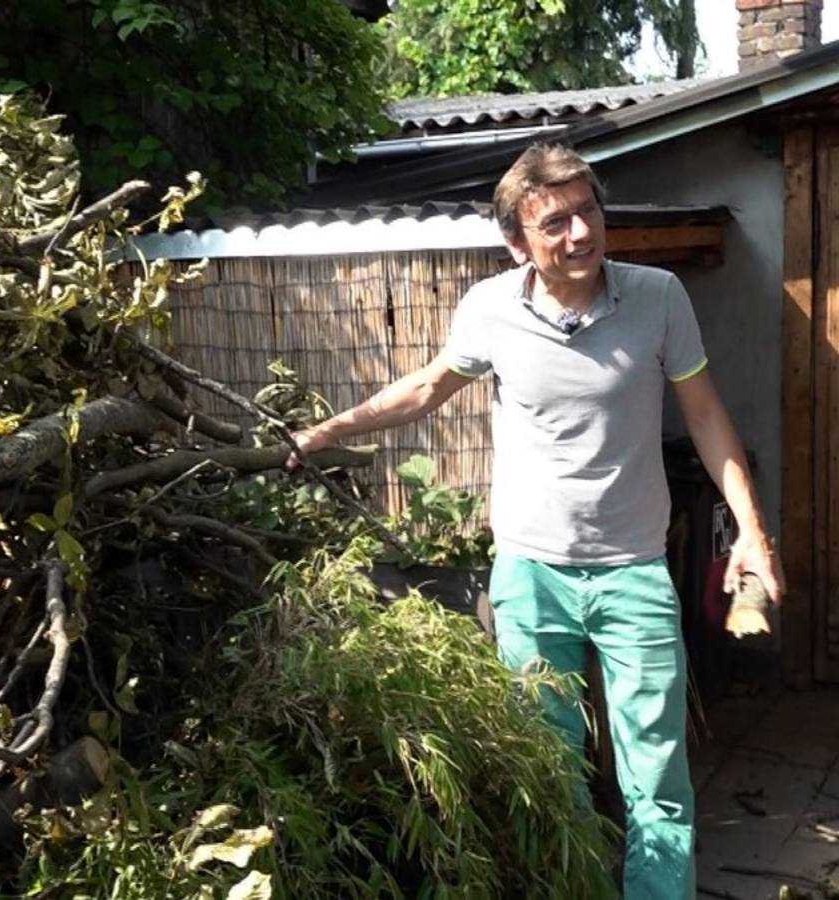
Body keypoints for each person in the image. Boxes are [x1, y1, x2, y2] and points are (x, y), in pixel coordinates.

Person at [285, 142, 785, 899]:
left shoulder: (658, 297)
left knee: (657, 779)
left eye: (588, 212)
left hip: (633, 572)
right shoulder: (490, 308)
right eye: (555, 222)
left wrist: (751, 530)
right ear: (517, 242)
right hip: (530, 578)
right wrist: (327, 431)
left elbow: (707, 416)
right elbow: (425, 389)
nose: (581, 233)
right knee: (550, 773)